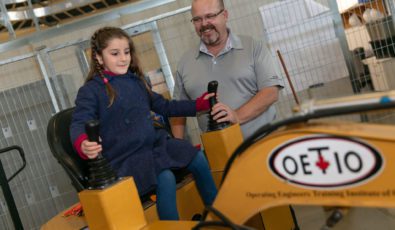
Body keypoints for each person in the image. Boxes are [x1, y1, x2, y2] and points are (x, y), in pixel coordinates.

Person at [70, 27, 217, 220]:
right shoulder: (91, 90)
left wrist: (199, 104)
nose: (123, 58)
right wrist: (83, 142)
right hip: (125, 158)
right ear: (98, 57)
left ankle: (219, 213)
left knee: (196, 157)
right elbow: (79, 122)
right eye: (114, 53)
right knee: (166, 178)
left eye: (126, 52)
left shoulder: (136, 82)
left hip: (153, 147)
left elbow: (165, 106)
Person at [172, 0, 284, 139]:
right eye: (197, 19)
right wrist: (178, 150)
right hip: (219, 154)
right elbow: (177, 112)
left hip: (262, 144)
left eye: (210, 16)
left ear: (225, 15)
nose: (204, 24)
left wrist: (237, 115)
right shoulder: (185, 63)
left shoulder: (253, 47)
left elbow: (270, 93)